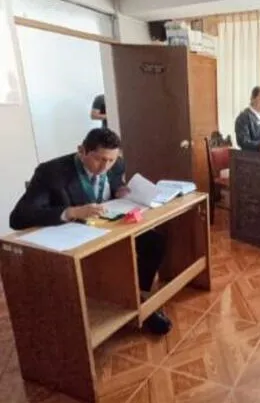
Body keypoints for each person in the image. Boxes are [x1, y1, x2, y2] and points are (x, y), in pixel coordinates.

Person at [10, 128, 172, 335]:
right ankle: (129, 302)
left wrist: (119, 190)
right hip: (77, 238)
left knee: (154, 242)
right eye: (99, 159)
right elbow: (18, 217)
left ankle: (136, 294)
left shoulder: (116, 165)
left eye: (111, 160)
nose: (105, 166)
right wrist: (70, 212)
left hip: (111, 227)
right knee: (118, 259)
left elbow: (113, 183)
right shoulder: (51, 172)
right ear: (81, 150)